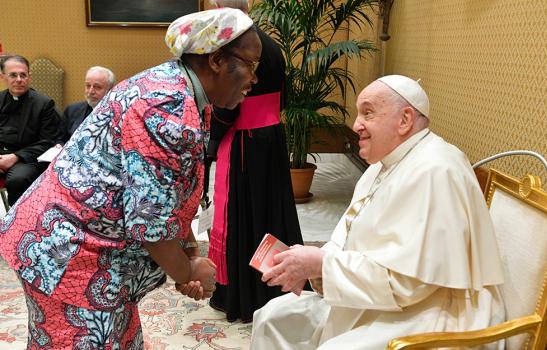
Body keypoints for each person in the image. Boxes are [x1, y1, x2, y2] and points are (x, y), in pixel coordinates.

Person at [0, 8, 261, 348]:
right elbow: (149, 223)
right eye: (251, 64)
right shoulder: (166, 106)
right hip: (69, 256)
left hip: (91, 257)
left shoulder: (184, 91)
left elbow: (171, 191)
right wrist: (188, 272)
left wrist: (189, 251)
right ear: (215, 59)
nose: (254, 78)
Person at [250, 75, 505, 349]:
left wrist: (322, 264)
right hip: (379, 295)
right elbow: (347, 238)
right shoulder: (380, 166)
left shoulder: (436, 171)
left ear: (405, 120)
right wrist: (314, 268)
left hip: (433, 312)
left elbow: (411, 283)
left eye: (367, 113)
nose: (356, 125)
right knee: (271, 317)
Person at [207, 0, 305, 323]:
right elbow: (285, 97)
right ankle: (279, 289)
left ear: (220, 7)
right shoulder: (272, 45)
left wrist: (211, 142)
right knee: (272, 211)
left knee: (244, 217)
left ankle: (245, 296)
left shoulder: (237, 48)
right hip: (272, 138)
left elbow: (227, 105)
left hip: (244, 143)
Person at [0, 54, 60, 206]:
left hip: (28, 159)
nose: (19, 79)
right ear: (3, 76)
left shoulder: (44, 104)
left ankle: (16, 223)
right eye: (13, 75)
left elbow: (48, 142)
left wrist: (15, 157)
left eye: (23, 75)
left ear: (29, 77)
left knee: (18, 179)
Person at [56, 66, 115, 145]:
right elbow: (60, 139)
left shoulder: (119, 114)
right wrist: (59, 146)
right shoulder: (71, 110)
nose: (91, 91)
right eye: (88, 86)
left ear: (110, 90)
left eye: (97, 87)